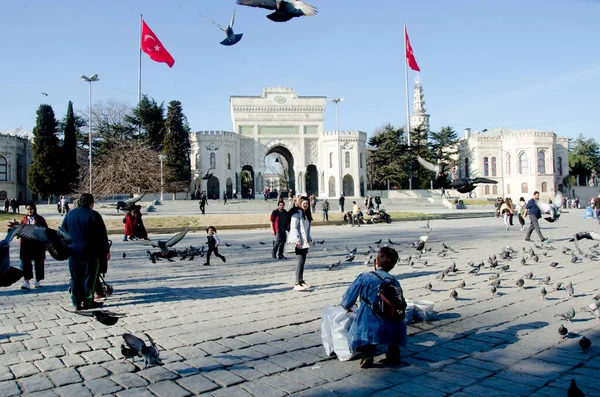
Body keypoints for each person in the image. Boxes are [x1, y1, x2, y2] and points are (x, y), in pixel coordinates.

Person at [340, 246, 406, 368]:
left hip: (370, 326)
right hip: (394, 327)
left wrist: (348, 307)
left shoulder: (365, 277)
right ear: (393, 265)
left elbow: (346, 301)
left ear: (376, 261)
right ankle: (393, 353)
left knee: (365, 320)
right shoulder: (395, 281)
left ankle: (367, 354)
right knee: (392, 321)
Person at [61, 194, 110, 310]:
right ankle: (88, 301)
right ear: (91, 203)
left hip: (73, 251)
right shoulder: (94, 215)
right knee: (89, 277)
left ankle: (76, 302)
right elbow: (102, 235)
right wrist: (106, 250)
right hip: (90, 252)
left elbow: (62, 231)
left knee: (75, 277)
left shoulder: (70, 215)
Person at [19, 203, 48, 290]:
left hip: (37, 244)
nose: (29, 211)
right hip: (26, 244)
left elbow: (45, 230)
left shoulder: (40, 219)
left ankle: (38, 280)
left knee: (39, 263)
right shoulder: (24, 219)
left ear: (34, 209)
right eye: (28, 209)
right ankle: (27, 280)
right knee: (25, 263)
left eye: (31, 209)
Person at [287, 196, 312, 291]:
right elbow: (293, 228)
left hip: (305, 241)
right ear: (300, 203)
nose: (306, 205)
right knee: (299, 261)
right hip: (298, 241)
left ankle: (301, 281)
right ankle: (297, 282)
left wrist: (309, 239)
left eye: (307, 203)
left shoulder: (306, 214)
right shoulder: (296, 213)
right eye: (304, 203)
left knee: (303, 261)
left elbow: (307, 229)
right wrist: (297, 239)